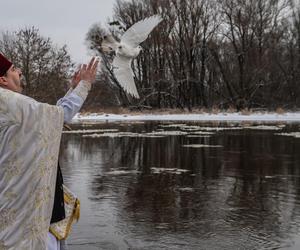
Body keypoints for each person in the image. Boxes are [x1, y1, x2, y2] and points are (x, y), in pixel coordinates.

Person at [0, 53, 99, 250]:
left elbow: (48, 116)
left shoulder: (12, 108)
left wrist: (72, 88)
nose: (19, 72)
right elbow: (61, 115)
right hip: (25, 214)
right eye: (13, 70)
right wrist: (84, 85)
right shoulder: (11, 104)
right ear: (2, 79)